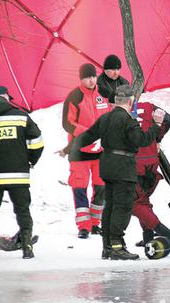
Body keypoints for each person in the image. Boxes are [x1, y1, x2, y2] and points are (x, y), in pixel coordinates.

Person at [72, 85, 162, 260]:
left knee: (110, 206)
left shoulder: (105, 118)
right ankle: (117, 246)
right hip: (124, 167)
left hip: (106, 166)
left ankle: (107, 246)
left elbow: (87, 136)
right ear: (130, 101)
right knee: (122, 207)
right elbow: (141, 140)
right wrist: (156, 126)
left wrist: (71, 149)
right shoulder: (128, 120)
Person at [62, 63, 111, 239]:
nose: (91, 80)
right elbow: (67, 123)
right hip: (79, 151)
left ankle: (95, 223)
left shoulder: (104, 93)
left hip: (101, 151)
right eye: (87, 77)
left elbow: (113, 116)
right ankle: (83, 226)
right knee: (79, 188)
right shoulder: (74, 96)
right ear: (81, 79)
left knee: (101, 188)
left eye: (93, 77)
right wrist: (90, 134)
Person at [0, 86, 44, 259]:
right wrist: (30, 160)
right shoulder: (20, 116)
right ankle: (27, 247)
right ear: (7, 98)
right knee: (23, 210)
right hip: (19, 174)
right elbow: (37, 142)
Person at [131, 102, 170, 247]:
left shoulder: (118, 112)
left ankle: (163, 231)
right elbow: (167, 118)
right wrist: (158, 138)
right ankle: (148, 237)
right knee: (143, 201)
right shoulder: (148, 107)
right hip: (150, 160)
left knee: (133, 203)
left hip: (135, 163)